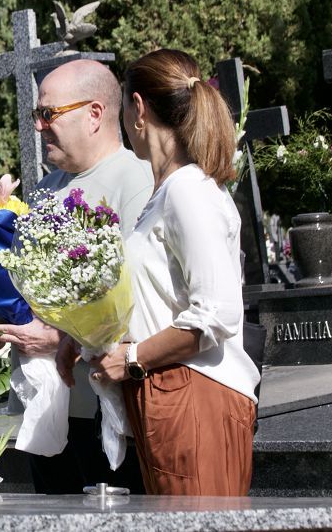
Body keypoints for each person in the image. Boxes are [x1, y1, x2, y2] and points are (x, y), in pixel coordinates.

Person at [91, 48, 259, 496]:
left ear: (138, 108)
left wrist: (130, 358)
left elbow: (216, 313)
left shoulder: (189, 190)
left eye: (123, 105)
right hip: (166, 388)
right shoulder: (166, 192)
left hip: (195, 391)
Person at [0, 59, 152, 494]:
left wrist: (58, 340)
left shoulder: (137, 181)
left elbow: (141, 305)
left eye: (48, 114)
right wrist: (0, 321)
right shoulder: (43, 190)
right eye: (37, 115)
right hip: (47, 407)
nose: (39, 127)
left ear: (94, 114)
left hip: (111, 410)